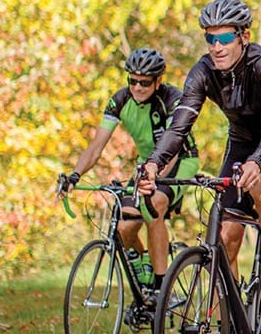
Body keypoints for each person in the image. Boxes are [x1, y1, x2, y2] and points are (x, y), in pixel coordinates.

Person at [139, 0, 261, 312]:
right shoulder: (203, 71)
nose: (217, 47)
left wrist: (256, 162)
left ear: (244, 37)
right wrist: (154, 163)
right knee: (224, 238)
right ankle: (231, 328)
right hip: (242, 142)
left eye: (226, 38)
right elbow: (179, 126)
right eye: (210, 39)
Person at [59, 47, 198, 301]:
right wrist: (74, 176)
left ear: (158, 81)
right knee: (124, 226)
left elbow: (173, 146)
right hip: (146, 164)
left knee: (154, 205)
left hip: (180, 159)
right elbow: (96, 147)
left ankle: (162, 288)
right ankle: (144, 270)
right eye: (132, 81)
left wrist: (154, 178)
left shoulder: (171, 100)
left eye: (144, 82)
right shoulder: (120, 101)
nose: (137, 87)